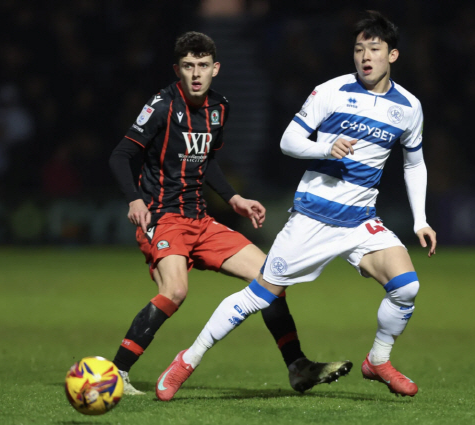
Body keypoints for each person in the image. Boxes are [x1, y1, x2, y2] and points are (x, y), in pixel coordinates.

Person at [154, 11, 437, 401]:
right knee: (260, 296)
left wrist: (421, 219)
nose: (365, 57)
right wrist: (325, 146)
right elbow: (289, 141)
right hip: (312, 219)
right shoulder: (331, 92)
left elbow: (414, 162)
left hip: (360, 222)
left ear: (393, 56)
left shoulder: (408, 107)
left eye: (374, 49)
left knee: (407, 287)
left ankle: (378, 361)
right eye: (359, 49)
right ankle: (186, 359)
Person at [108, 31, 352, 396]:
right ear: (177, 69)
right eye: (188, 66)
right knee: (174, 291)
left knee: (272, 277)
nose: (196, 73)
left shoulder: (219, 108)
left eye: (203, 65)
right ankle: (116, 373)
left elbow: (207, 161)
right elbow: (120, 155)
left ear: (215, 68)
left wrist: (233, 198)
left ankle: (298, 367)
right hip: (163, 217)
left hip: (201, 220)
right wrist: (134, 199)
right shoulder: (161, 106)